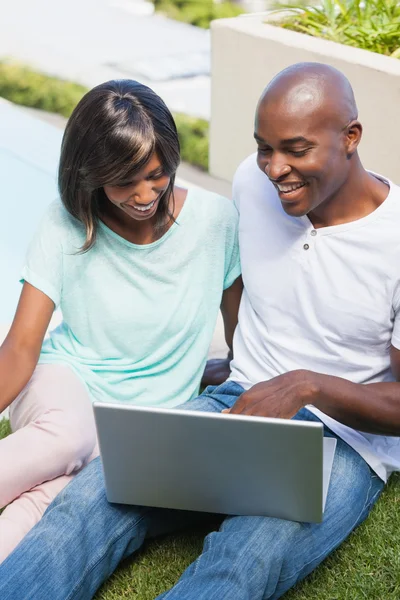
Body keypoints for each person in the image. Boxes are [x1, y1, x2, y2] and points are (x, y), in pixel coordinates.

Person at [1, 61, 400, 600]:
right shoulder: (253, 188)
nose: (275, 168)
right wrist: (225, 369)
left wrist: (308, 386)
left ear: (351, 137)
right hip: (232, 406)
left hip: (343, 438)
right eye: (264, 147)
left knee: (247, 555)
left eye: (296, 149)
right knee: (92, 497)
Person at [0, 79, 242, 562]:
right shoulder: (64, 221)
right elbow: (22, 347)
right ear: (89, 173)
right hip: (64, 384)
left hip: (139, 425)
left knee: (54, 498)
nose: (143, 193)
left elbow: (241, 338)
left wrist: (219, 375)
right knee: (70, 434)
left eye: (156, 174)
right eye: (123, 180)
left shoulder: (217, 222)